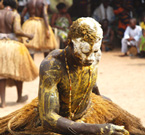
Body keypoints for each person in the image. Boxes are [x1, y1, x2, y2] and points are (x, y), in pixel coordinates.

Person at [0, 17, 145, 135]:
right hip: (59, 120)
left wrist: (108, 105)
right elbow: (48, 117)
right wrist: (96, 129)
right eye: (84, 50)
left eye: (95, 51)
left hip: (86, 108)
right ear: (70, 43)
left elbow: (91, 87)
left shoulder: (93, 56)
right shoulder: (52, 65)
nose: (90, 58)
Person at [0, 0, 39, 107]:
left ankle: (3, 102)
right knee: (18, 71)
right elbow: (17, 31)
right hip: (12, 46)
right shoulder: (14, 14)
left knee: (1, 74)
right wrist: (28, 35)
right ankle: (19, 97)